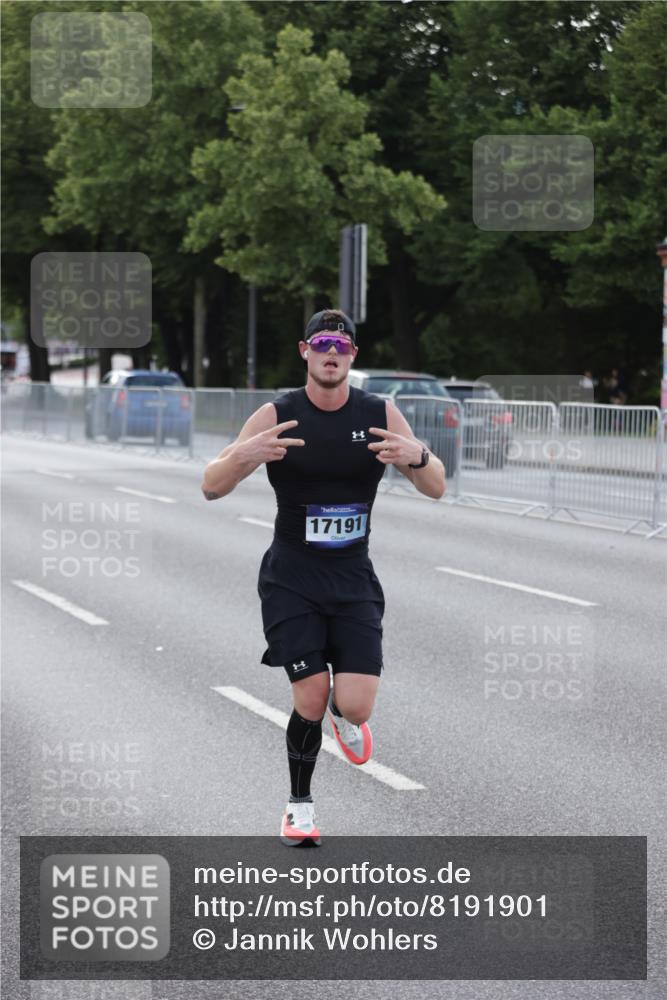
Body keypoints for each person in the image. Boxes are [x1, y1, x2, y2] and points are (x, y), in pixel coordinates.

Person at [201, 309, 446, 846]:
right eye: (322, 342)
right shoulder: (276, 414)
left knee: (354, 703)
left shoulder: (380, 411)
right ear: (305, 352)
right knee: (308, 696)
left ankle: (346, 714)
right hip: (292, 576)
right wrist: (243, 454)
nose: (331, 351)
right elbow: (211, 486)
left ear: (353, 356)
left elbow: (436, 487)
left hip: (353, 576)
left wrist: (420, 455)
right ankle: (299, 807)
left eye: (341, 343)